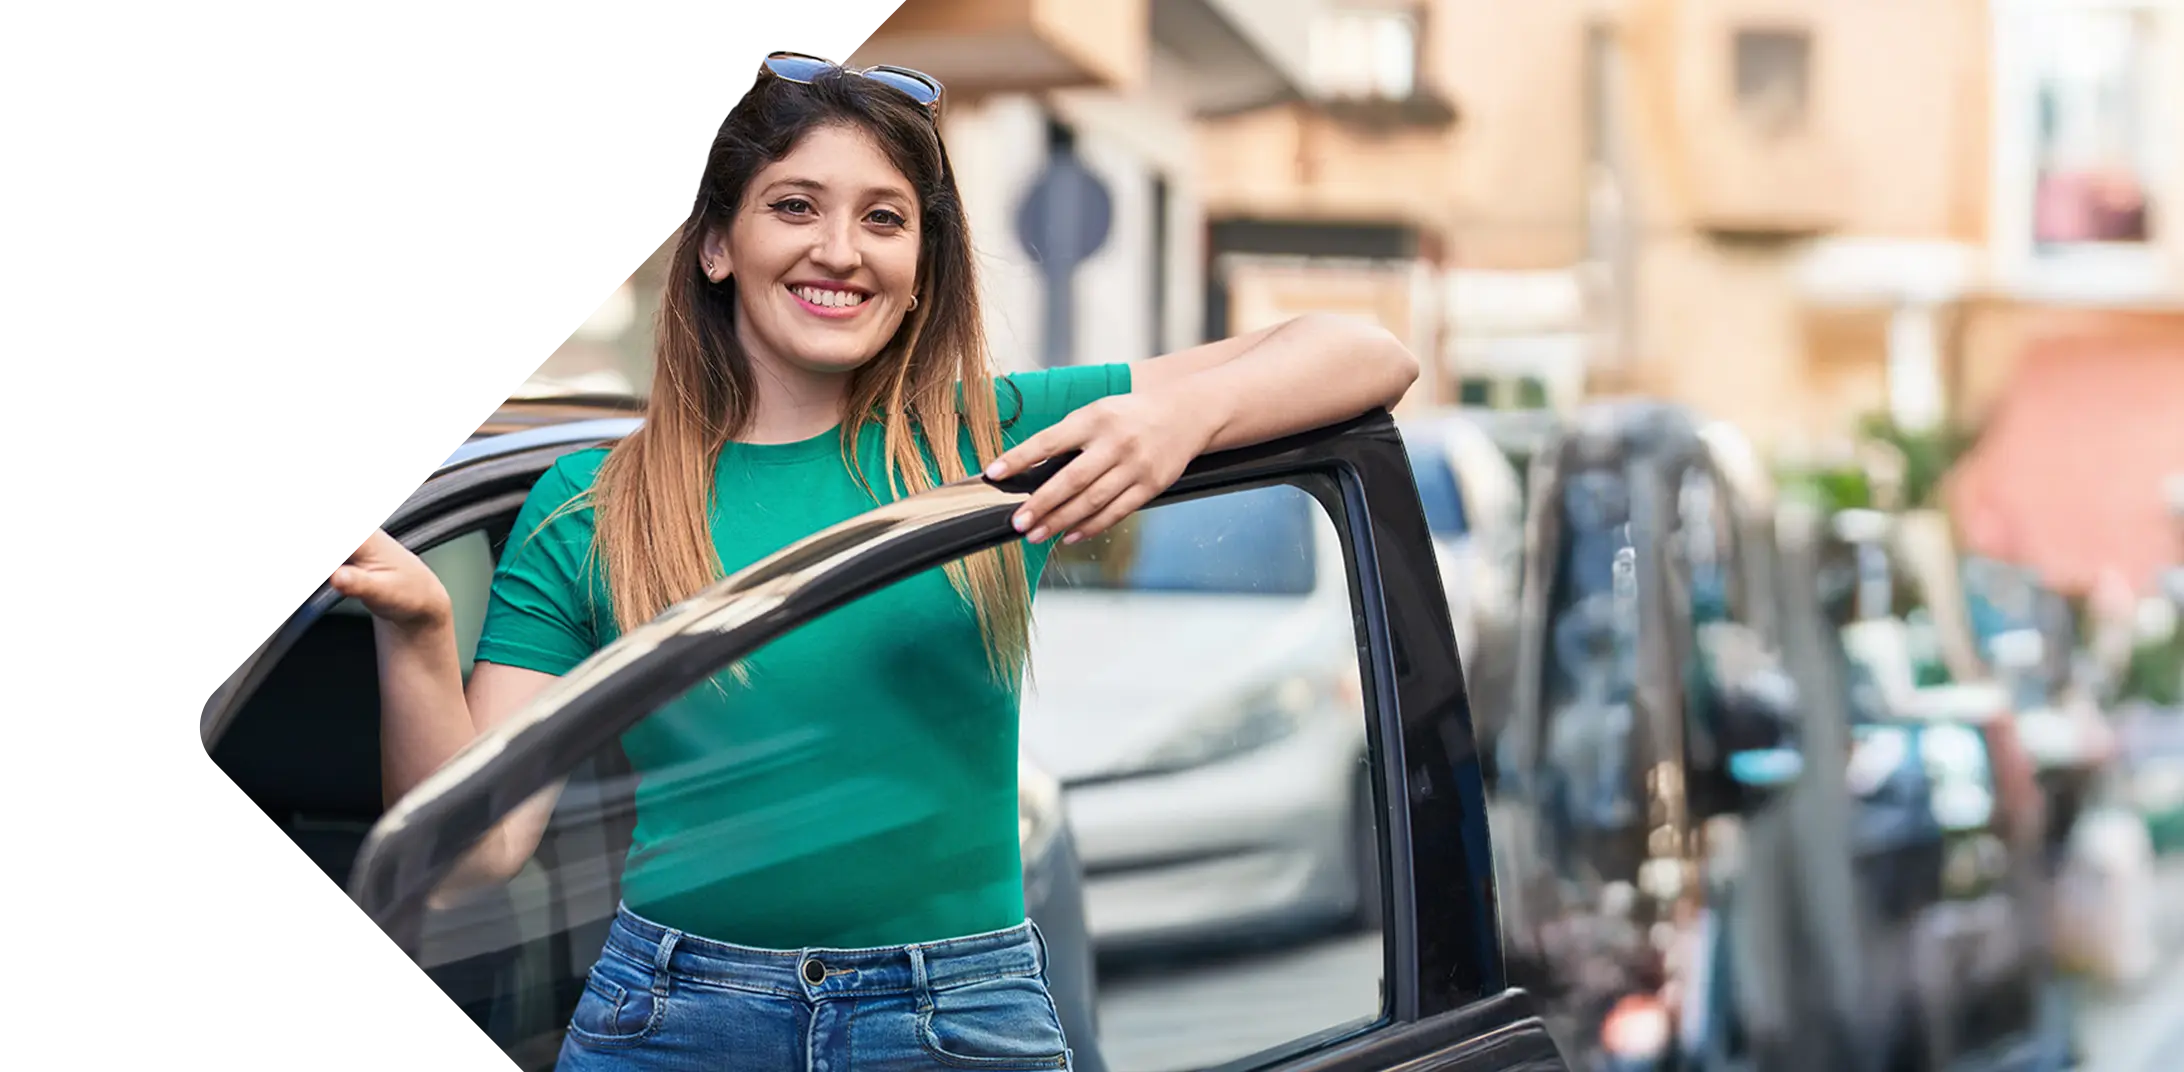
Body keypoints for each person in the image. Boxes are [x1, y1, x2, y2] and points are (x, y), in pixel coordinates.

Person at [330, 48, 1419, 1071]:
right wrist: (419, 630)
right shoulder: (593, 507)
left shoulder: (989, 440)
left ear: (920, 266)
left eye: (884, 219)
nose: (840, 251)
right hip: (668, 1015)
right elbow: (476, 852)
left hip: (956, 1013)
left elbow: (1369, 354)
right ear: (717, 244)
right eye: (794, 206)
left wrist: (1183, 416)